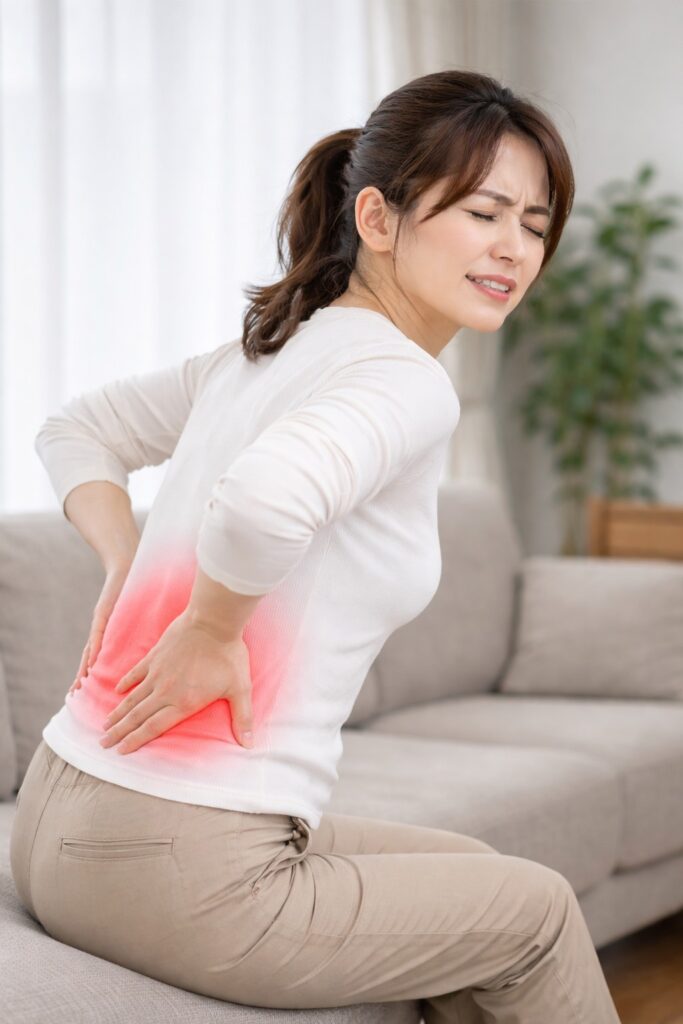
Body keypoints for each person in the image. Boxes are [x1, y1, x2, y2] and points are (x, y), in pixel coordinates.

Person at [10, 68, 622, 1023]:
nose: (513, 248)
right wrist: (207, 627)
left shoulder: (264, 351)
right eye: (482, 213)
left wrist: (129, 563)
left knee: (481, 880)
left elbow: (75, 430)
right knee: (536, 915)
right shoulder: (403, 381)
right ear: (376, 218)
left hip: (58, 819)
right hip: (176, 860)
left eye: (534, 225)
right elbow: (261, 502)